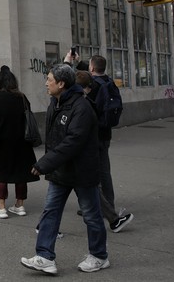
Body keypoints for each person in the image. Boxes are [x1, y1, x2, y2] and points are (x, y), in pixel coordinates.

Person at [21, 63, 109, 275]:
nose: (46, 83)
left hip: (82, 172)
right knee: (50, 212)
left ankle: (99, 256)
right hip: (61, 171)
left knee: (91, 215)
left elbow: (73, 141)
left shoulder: (82, 108)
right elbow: (55, 140)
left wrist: (44, 164)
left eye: (49, 80)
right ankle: (44, 256)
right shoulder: (56, 103)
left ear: (61, 84)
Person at [0, 65, 39, 219]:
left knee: (0, 172)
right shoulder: (22, 98)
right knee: (21, 172)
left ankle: (1, 207)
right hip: (22, 142)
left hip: (0, 141)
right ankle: (20, 205)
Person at [85, 56, 133, 233]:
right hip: (106, 133)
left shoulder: (94, 86)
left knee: (90, 174)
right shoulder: (110, 82)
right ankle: (109, 205)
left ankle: (102, 208)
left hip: (93, 134)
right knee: (104, 171)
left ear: (91, 67)